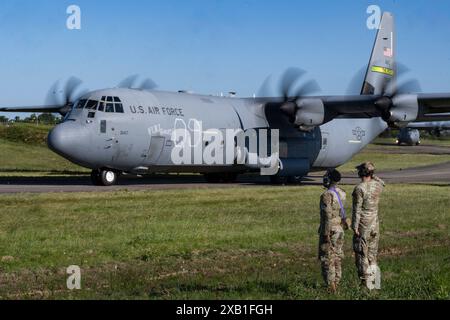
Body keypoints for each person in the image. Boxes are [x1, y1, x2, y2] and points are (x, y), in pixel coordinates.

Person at [352, 162, 385, 289]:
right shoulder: (378, 185)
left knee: (362, 255)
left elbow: (357, 209)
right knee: (373, 256)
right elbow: (383, 182)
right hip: (374, 225)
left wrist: (355, 226)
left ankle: (365, 285)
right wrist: (373, 176)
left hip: (363, 225)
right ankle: (375, 284)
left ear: (361, 173)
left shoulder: (359, 188)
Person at [318, 169, 349, 292]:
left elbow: (326, 215)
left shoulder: (326, 195)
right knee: (337, 256)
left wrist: (325, 233)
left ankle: (331, 286)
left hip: (330, 229)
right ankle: (337, 281)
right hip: (339, 228)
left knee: (327, 257)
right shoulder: (342, 193)